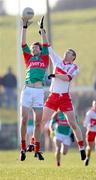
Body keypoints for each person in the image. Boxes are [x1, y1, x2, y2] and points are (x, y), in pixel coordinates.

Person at [41, 22, 86, 161]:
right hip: (53, 96)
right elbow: (48, 48)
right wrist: (43, 32)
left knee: (73, 123)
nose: (67, 53)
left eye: (70, 53)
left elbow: (67, 78)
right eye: (66, 51)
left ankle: (82, 148)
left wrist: (54, 75)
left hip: (65, 98)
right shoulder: (58, 62)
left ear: (73, 57)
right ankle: (32, 145)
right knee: (41, 121)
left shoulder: (74, 67)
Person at [19, 16, 49, 161]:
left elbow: (46, 43)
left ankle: (37, 149)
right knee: (24, 120)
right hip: (27, 90)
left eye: (35, 47)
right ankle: (23, 148)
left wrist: (42, 29)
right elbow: (23, 43)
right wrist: (24, 27)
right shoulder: (28, 58)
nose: (33, 48)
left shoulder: (44, 58)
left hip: (38, 92)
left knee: (38, 123)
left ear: (40, 49)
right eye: (32, 48)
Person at [84, 99, 96, 166]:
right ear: (92, 105)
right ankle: (87, 158)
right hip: (91, 131)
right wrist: (90, 124)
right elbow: (85, 123)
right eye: (95, 104)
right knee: (89, 147)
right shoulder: (89, 113)